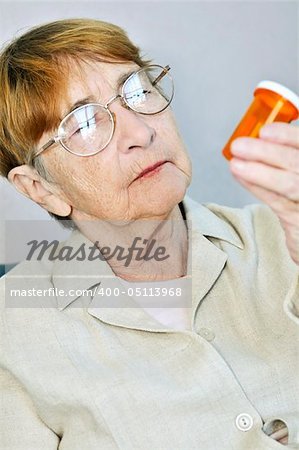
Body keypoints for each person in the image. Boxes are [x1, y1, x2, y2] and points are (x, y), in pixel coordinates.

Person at [0, 18, 298, 450]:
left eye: (137, 91)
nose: (142, 132)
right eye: (85, 124)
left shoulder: (281, 236)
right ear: (41, 189)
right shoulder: (13, 334)